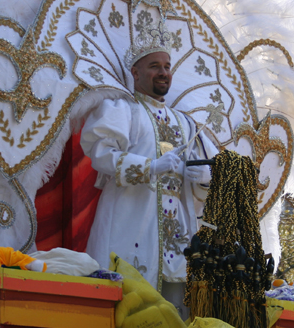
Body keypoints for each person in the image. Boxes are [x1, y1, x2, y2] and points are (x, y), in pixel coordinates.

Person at [81, 30, 217, 309]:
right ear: (135, 71)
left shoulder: (186, 123)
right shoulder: (122, 109)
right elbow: (101, 154)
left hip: (178, 233)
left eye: (167, 67)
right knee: (128, 307)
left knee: (177, 308)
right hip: (130, 221)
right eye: (154, 66)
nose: (163, 72)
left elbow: (213, 167)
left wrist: (203, 177)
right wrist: (151, 167)